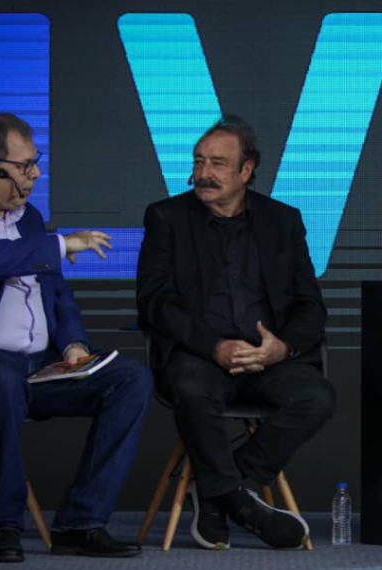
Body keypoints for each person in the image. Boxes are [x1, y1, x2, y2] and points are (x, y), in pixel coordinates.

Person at [0, 113, 153, 563]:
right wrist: (61, 244)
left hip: (38, 367)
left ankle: (80, 523)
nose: (35, 174)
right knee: (0, 375)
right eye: (25, 165)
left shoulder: (30, 218)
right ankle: (3, 526)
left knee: (131, 380)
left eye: (35, 162)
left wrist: (74, 344)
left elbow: (57, 293)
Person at [136, 115, 336, 551]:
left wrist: (280, 348)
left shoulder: (283, 221)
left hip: (266, 360)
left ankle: (221, 490)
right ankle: (236, 499)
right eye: (199, 161)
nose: (203, 173)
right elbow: (155, 304)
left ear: (247, 170)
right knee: (191, 386)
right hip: (199, 357)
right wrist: (214, 346)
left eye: (217, 163)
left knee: (316, 396)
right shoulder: (166, 217)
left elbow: (310, 306)